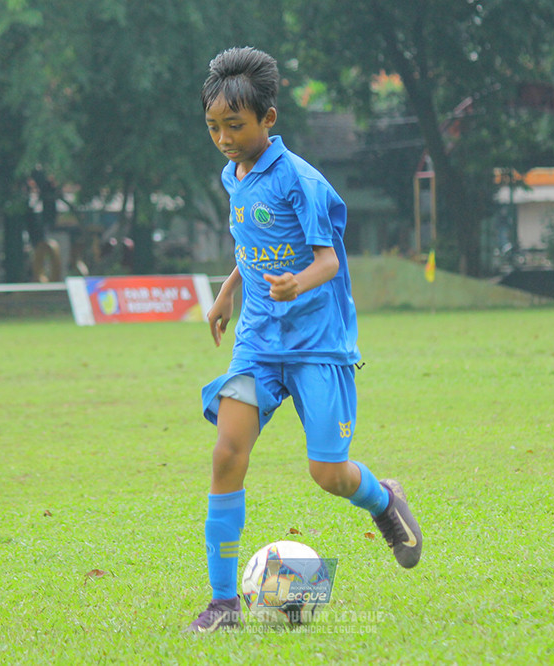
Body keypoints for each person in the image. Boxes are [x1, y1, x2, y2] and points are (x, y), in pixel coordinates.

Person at [188, 46, 423, 633]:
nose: (223, 137)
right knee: (226, 455)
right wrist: (227, 291)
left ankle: (383, 500)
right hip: (259, 343)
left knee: (329, 473)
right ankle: (223, 605)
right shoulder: (232, 174)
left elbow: (326, 261)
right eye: (214, 127)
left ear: (269, 120)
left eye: (234, 126)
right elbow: (253, 245)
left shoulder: (302, 181)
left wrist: (299, 283)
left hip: (318, 344)